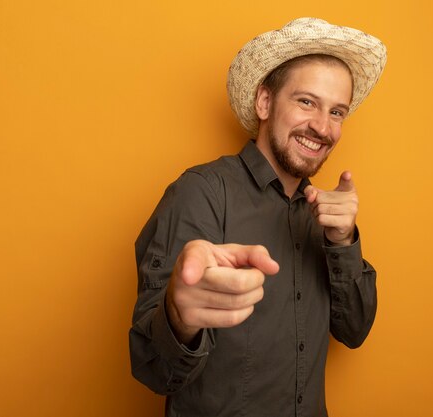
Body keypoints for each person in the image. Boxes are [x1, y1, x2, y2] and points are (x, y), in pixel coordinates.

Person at [129, 17, 387, 417]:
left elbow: (354, 332)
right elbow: (152, 369)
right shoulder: (202, 192)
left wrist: (344, 241)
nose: (323, 127)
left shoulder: (325, 214)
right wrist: (178, 317)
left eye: (337, 112)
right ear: (264, 102)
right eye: (306, 102)